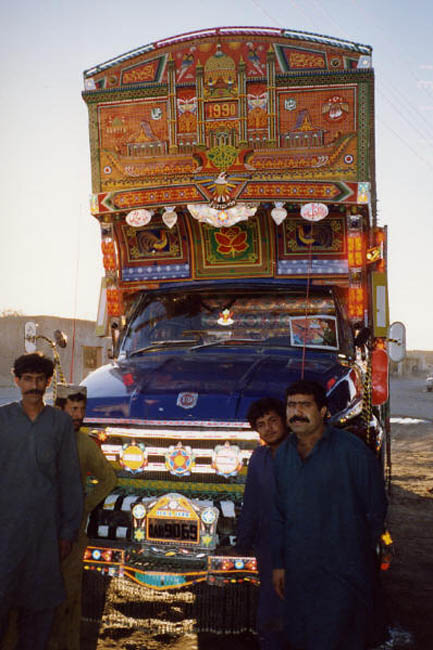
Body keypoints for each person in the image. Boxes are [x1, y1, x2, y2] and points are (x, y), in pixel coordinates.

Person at [272, 380, 387, 650]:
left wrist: (361, 557)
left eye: (305, 405)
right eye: (291, 405)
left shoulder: (352, 451)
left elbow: (375, 506)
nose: (297, 412)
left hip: (344, 568)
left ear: (323, 411)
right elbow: (279, 513)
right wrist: (279, 563)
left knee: (344, 634)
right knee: (302, 634)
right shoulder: (284, 454)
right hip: (300, 567)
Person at [0, 353, 83, 650]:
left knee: (39, 605)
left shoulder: (59, 423)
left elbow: (70, 480)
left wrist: (67, 532)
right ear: (17, 381)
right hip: (5, 530)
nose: (33, 386)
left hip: (44, 532)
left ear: (48, 383)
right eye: (27, 380)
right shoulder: (3, 418)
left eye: (39, 380)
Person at [48, 385, 117, 650]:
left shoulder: (86, 444)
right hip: (39, 530)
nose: (79, 415)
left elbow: (108, 479)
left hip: (72, 535)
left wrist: (83, 507)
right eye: (73, 409)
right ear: (59, 409)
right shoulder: (44, 438)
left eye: (82, 409)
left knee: (69, 598)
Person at [236, 398, 288, 650]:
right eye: (261, 424)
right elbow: (252, 503)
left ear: (285, 420)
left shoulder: (303, 452)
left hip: (303, 544)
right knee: (270, 609)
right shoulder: (259, 457)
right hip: (268, 545)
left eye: (273, 421)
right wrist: (243, 542)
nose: (268, 428)